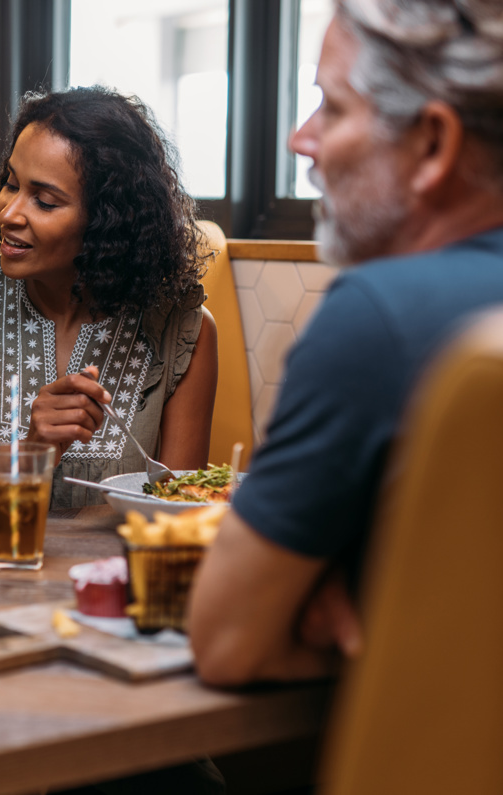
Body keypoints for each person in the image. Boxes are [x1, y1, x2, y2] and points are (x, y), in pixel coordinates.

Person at [189, 0, 503, 686]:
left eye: (331, 108)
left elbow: (228, 642)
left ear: (433, 146)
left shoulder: (376, 321)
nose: (300, 140)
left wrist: (346, 607)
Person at [0, 86, 219, 526]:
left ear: (108, 223)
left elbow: (178, 516)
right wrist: (30, 454)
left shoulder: (181, 332)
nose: (8, 212)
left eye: (44, 201)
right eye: (11, 183)